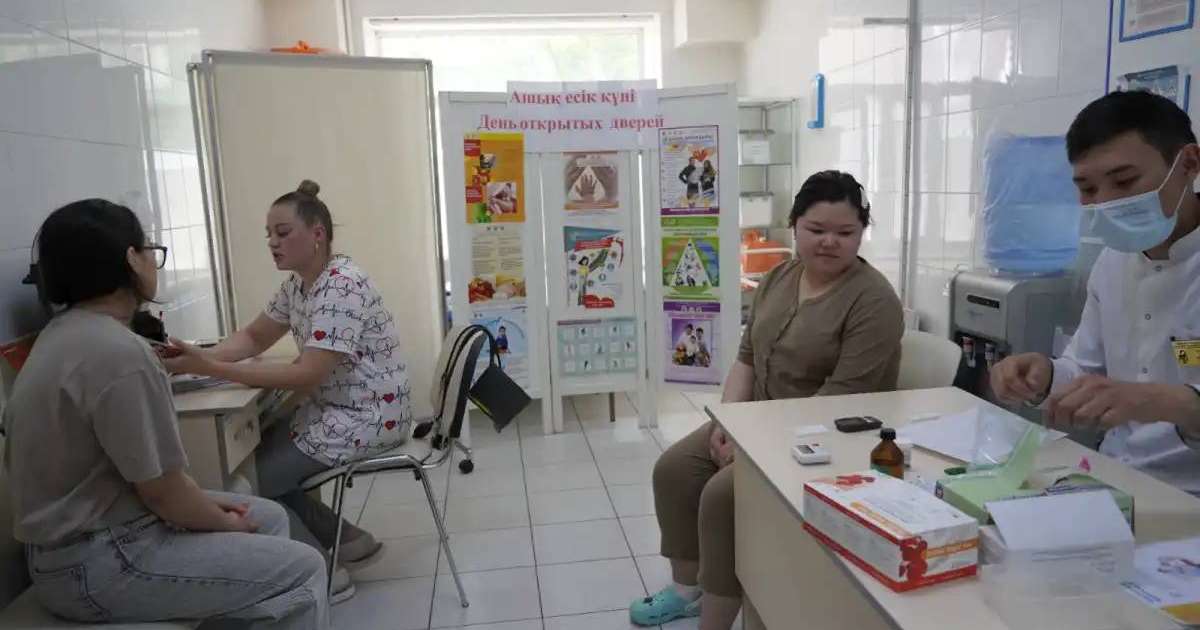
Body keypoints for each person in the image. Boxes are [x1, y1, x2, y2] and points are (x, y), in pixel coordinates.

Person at [3, 199, 328, 628]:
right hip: (101, 560)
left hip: (70, 547)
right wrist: (221, 522)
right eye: (149, 249)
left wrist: (217, 512)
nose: (273, 243)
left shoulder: (60, 337)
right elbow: (164, 494)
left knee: (265, 514)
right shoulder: (120, 354)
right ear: (131, 260)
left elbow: (140, 484)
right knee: (303, 569)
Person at [630, 171, 904, 629]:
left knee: (721, 496)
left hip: (824, 438)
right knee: (675, 469)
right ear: (794, 224)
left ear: (861, 234)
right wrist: (728, 423)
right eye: (817, 230)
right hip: (757, 421)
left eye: (845, 233)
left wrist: (753, 443)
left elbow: (838, 400)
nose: (830, 242)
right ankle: (687, 589)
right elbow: (747, 357)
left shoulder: (874, 301)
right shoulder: (779, 276)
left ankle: (716, 618)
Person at [164, 180, 413, 602]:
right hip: (337, 410)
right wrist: (194, 357)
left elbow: (306, 375)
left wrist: (211, 366)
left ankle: (319, 574)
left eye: (282, 233)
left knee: (253, 482)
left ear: (317, 234)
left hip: (366, 417)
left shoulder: (341, 286)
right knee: (260, 461)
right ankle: (349, 541)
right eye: (268, 236)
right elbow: (254, 337)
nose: (272, 243)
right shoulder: (299, 284)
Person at [991, 90, 1200, 494]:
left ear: (1189, 164)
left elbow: (1143, 393)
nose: (1104, 203)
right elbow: (1086, 370)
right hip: (1116, 475)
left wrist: (1160, 400)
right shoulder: (1113, 262)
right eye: (1087, 189)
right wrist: (1044, 375)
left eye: (1124, 181)